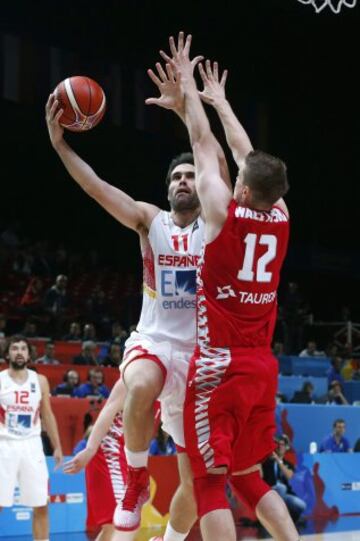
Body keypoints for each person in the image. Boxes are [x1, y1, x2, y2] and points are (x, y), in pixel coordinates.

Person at [46, 48, 230, 539]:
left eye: (191, 175)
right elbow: (97, 188)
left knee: (197, 483)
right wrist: (62, 146)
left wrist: (191, 104)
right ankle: (135, 476)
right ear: (167, 188)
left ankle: (171, 537)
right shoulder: (149, 221)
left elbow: (212, 155)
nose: (184, 181)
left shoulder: (215, 224)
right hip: (154, 341)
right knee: (142, 379)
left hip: (200, 358)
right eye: (176, 176)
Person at [160, 32, 299, 541]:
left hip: (220, 364)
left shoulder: (221, 213)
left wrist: (192, 94)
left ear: (242, 188)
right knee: (248, 476)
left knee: (208, 479)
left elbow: (205, 146)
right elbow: (247, 154)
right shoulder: (281, 216)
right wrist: (219, 100)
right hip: (262, 367)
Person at [0, 335, 63, 541]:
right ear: (7, 353)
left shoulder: (40, 381)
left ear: (29, 354)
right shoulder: (0, 380)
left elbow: (47, 414)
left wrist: (57, 446)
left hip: (32, 446)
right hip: (4, 445)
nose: (19, 352)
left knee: (41, 503)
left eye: (23, 349)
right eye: (15, 348)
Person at [64, 379, 129, 541]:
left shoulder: (167, 386)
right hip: (108, 451)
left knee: (114, 525)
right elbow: (108, 409)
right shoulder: (131, 378)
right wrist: (90, 449)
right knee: (119, 522)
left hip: (123, 454)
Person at [262, 436, 306, 524]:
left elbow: (289, 476)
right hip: (270, 492)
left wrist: (279, 461)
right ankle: (277, 518)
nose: (279, 446)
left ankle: (289, 520)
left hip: (284, 494)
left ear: (286, 447)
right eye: (277, 444)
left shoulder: (288, 464)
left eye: (282, 444)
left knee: (301, 505)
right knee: (281, 487)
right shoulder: (267, 461)